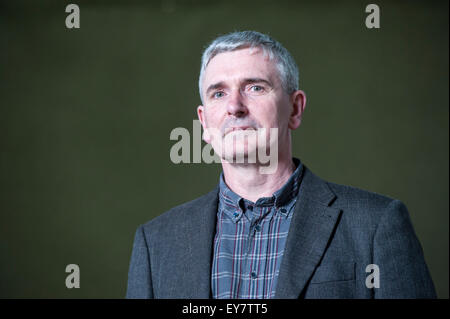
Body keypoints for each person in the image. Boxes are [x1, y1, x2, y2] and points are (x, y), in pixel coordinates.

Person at [126, 30, 436, 299]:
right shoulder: (156, 244)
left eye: (255, 87)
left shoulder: (376, 225)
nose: (234, 107)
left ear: (295, 109)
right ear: (204, 123)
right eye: (219, 93)